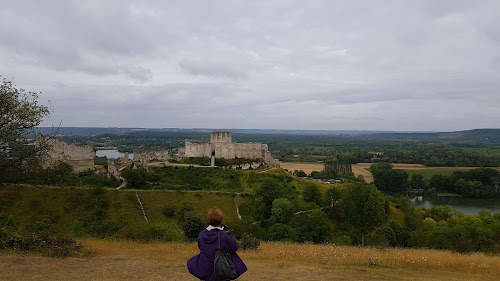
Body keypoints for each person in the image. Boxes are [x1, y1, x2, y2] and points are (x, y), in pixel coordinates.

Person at [187, 209, 247, 281]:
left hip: (204, 268)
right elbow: (234, 247)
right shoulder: (223, 235)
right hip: (219, 269)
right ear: (221, 220)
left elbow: (200, 247)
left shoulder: (202, 234)